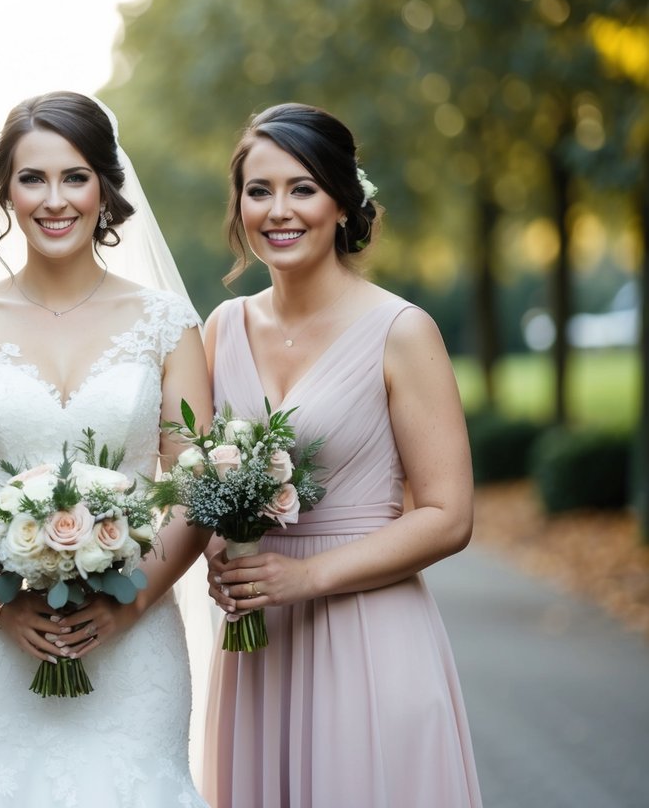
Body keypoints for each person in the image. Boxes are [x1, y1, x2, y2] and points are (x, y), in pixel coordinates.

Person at [0, 91, 214, 806]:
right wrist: (0, 606)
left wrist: (126, 607)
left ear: (106, 187)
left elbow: (197, 484)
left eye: (74, 177)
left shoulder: (168, 323)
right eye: (31, 178)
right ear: (4, 191)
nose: (54, 199)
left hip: (134, 640)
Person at [201, 102, 483, 807]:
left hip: (367, 632)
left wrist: (307, 578)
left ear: (341, 202)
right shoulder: (221, 328)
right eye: (258, 190)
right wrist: (214, 542)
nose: (278, 210)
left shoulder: (400, 330)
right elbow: (191, 475)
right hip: (258, 644)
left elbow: (448, 516)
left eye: (301, 188)